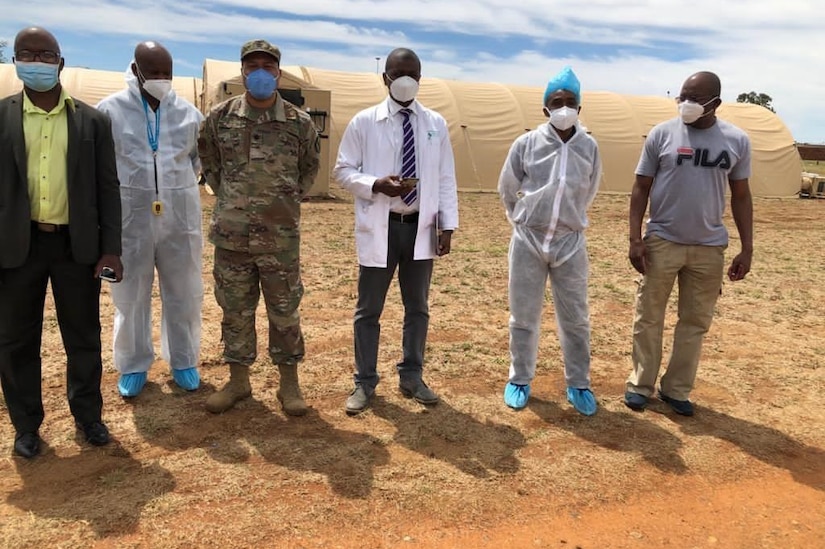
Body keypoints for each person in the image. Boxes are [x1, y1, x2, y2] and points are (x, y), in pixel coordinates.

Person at [0, 27, 122, 458]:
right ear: (15, 61)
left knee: (83, 334)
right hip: (17, 246)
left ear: (60, 62)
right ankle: (26, 425)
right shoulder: (2, 116)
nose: (36, 61)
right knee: (16, 339)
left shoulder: (92, 121)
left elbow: (108, 187)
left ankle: (88, 417)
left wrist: (112, 249)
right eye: (26, 54)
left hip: (77, 246)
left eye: (45, 54)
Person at [334, 48, 459, 416]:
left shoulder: (435, 123)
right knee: (369, 309)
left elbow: (446, 178)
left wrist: (447, 225)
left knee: (417, 308)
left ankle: (411, 375)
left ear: (421, 78)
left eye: (413, 74)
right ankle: (364, 381)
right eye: (399, 72)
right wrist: (375, 184)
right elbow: (342, 171)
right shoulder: (364, 122)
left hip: (420, 227)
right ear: (385, 77)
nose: (407, 80)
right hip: (381, 226)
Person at [198, 39, 320, 416]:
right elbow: (210, 165)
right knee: (235, 310)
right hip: (232, 236)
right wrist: (235, 199)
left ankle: (289, 386)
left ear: (278, 73)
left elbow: (308, 170)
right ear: (243, 72)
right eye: (253, 66)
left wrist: (277, 204)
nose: (261, 72)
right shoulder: (219, 118)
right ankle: (238, 382)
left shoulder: (299, 123)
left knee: (284, 312)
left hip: (279, 238)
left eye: (268, 66)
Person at [624, 71, 753, 416]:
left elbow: (741, 196)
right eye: (683, 97)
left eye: (695, 99)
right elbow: (640, 188)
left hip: (709, 247)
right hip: (662, 241)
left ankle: (676, 389)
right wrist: (635, 238)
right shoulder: (661, 134)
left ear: (715, 103)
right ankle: (640, 385)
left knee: (695, 322)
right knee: (648, 316)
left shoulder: (736, 141)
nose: (687, 104)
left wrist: (747, 247)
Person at [97, 41, 204, 398]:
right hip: (131, 221)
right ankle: (133, 364)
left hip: (180, 219)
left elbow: (196, 162)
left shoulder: (189, 114)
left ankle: (184, 360)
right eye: (153, 72)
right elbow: (103, 167)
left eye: (166, 73)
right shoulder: (109, 112)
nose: (160, 79)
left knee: (184, 293)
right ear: (135, 70)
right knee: (130, 297)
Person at [498, 66, 601, 416]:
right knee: (523, 315)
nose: (564, 108)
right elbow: (507, 188)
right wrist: (523, 219)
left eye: (570, 102)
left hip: (570, 242)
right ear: (545, 109)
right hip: (528, 238)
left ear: (579, 108)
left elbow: (590, 189)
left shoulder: (589, 147)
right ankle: (520, 378)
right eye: (557, 102)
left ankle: (578, 384)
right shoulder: (526, 144)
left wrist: (569, 220)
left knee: (575, 318)